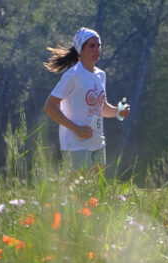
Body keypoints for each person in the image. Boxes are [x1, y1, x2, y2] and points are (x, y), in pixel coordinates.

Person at [43, 27, 130, 173]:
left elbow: (101, 108)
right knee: (80, 192)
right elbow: (49, 107)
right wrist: (76, 129)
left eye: (98, 45)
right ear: (80, 50)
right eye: (91, 46)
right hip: (75, 143)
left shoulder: (101, 75)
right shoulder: (73, 75)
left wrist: (118, 111)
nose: (97, 50)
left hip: (97, 141)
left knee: (95, 192)